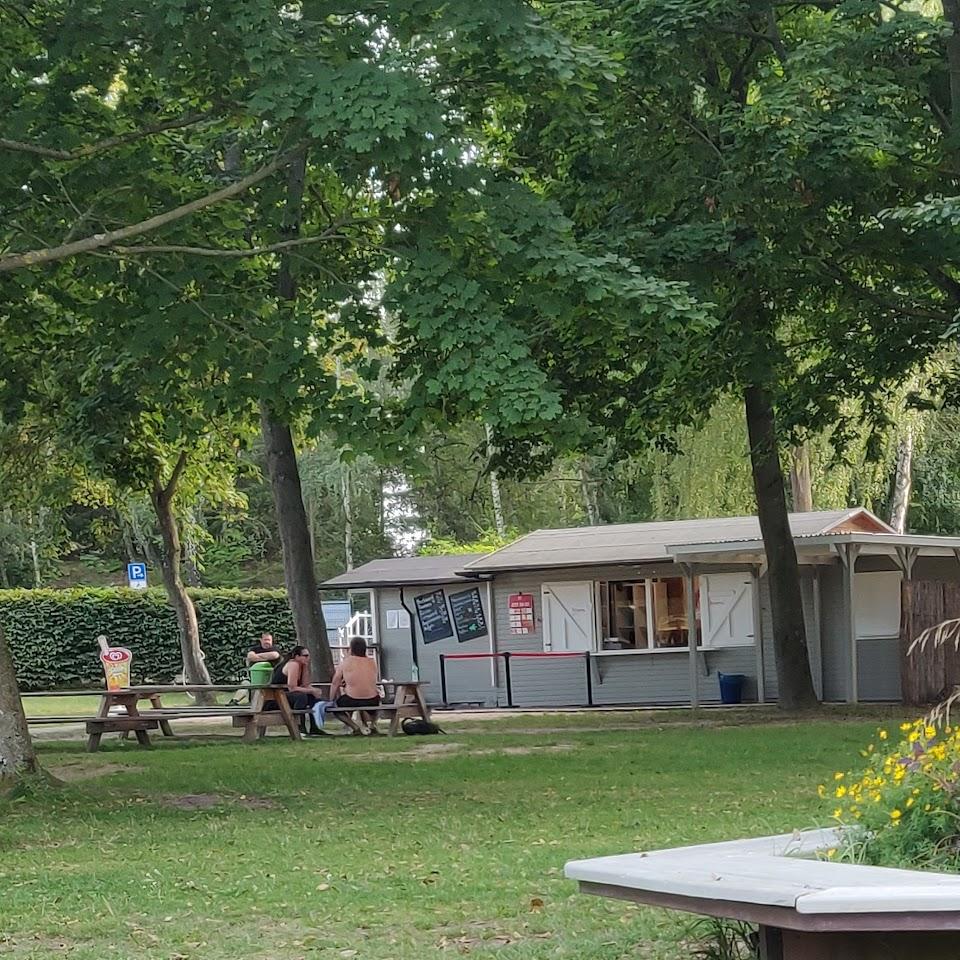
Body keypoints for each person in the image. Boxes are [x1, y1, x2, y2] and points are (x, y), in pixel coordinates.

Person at [329, 637, 381, 734]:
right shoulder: (372, 662)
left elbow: (335, 683)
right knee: (377, 701)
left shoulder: (346, 662)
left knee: (336, 708)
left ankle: (355, 727)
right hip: (372, 700)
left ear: (351, 648)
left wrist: (330, 700)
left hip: (352, 699)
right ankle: (373, 724)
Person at [273, 645, 326, 736]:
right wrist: (311, 691)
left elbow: (305, 685)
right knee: (301, 696)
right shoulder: (293, 664)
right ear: (297, 656)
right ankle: (300, 727)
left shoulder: (301, 665)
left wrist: (314, 690)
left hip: (287, 696)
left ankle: (314, 728)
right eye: (305, 656)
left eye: (308, 656)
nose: (308, 658)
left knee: (314, 698)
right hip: (276, 698)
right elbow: (292, 688)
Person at [226, 633, 282, 705]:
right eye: (265, 640)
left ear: (272, 641)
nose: (267, 642)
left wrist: (256, 657)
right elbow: (250, 656)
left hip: (269, 679)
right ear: (261, 640)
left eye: (269, 640)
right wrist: (266, 657)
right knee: (245, 683)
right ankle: (234, 701)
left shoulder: (275, 649)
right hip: (254, 679)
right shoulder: (255, 649)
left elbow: (274, 655)